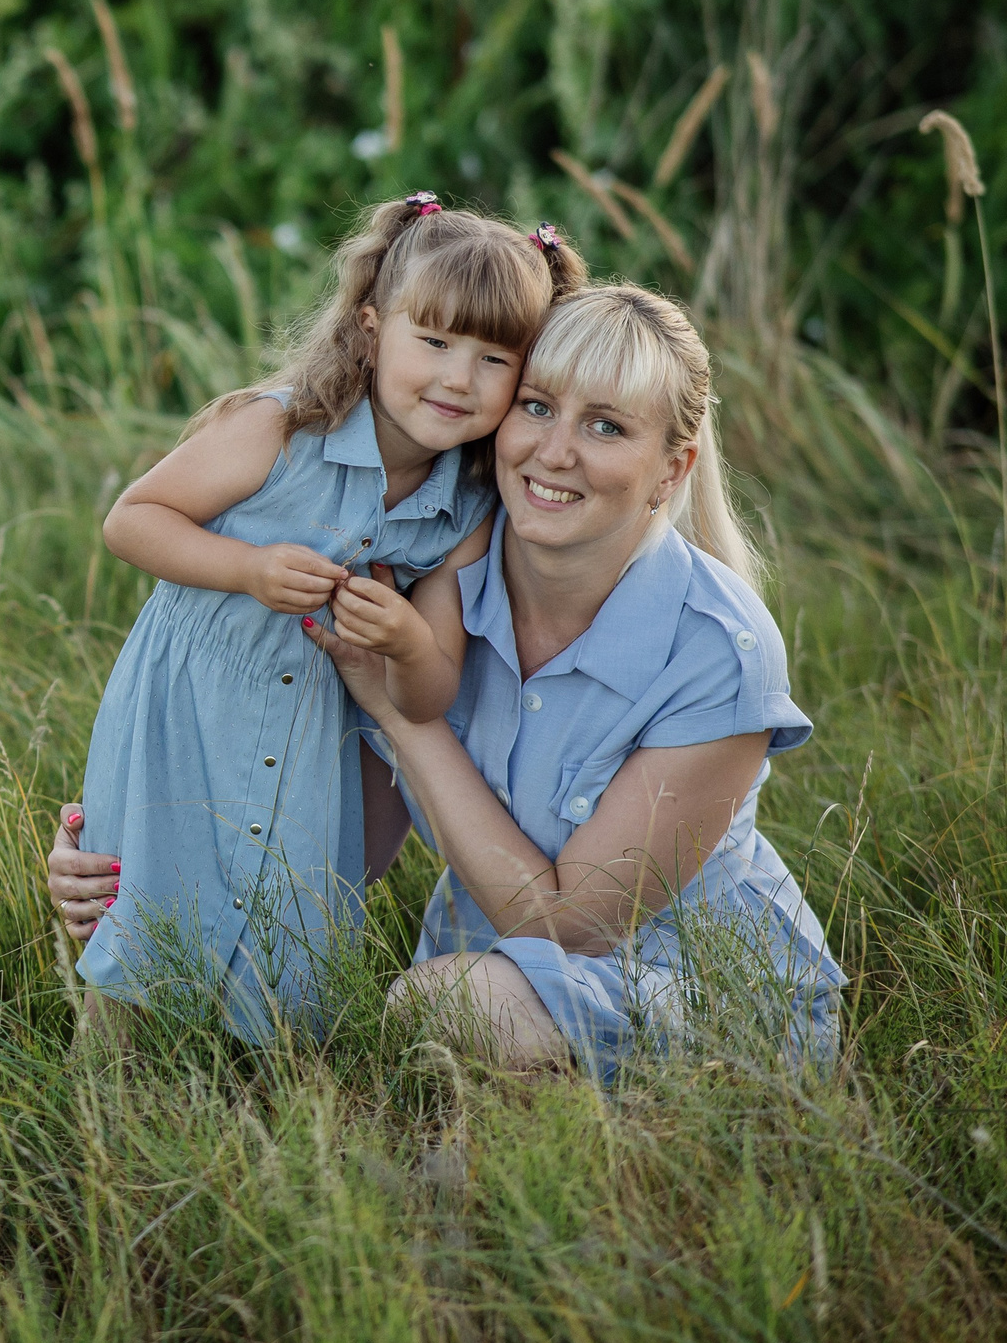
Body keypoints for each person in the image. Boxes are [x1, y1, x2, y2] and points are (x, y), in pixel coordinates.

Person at [50, 284, 844, 1078]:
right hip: (481, 983)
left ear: (674, 466)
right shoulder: (429, 575)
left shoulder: (717, 651)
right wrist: (124, 855)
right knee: (407, 1046)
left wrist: (404, 715)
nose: (556, 450)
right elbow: (313, 838)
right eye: (537, 406)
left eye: (606, 426)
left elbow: (570, 929)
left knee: (444, 1007)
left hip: (707, 997)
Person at [63, 193, 586, 1042]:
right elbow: (134, 518)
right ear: (374, 329)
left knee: (284, 945)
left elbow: (432, 686)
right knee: (148, 916)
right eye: (435, 341)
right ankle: (104, 1104)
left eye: (496, 359)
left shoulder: (470, 506)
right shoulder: (282, 429)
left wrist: (405, 636)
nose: (459, 378)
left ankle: (265, 1104)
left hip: (315, 736)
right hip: (192, 709)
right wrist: (250, 567)